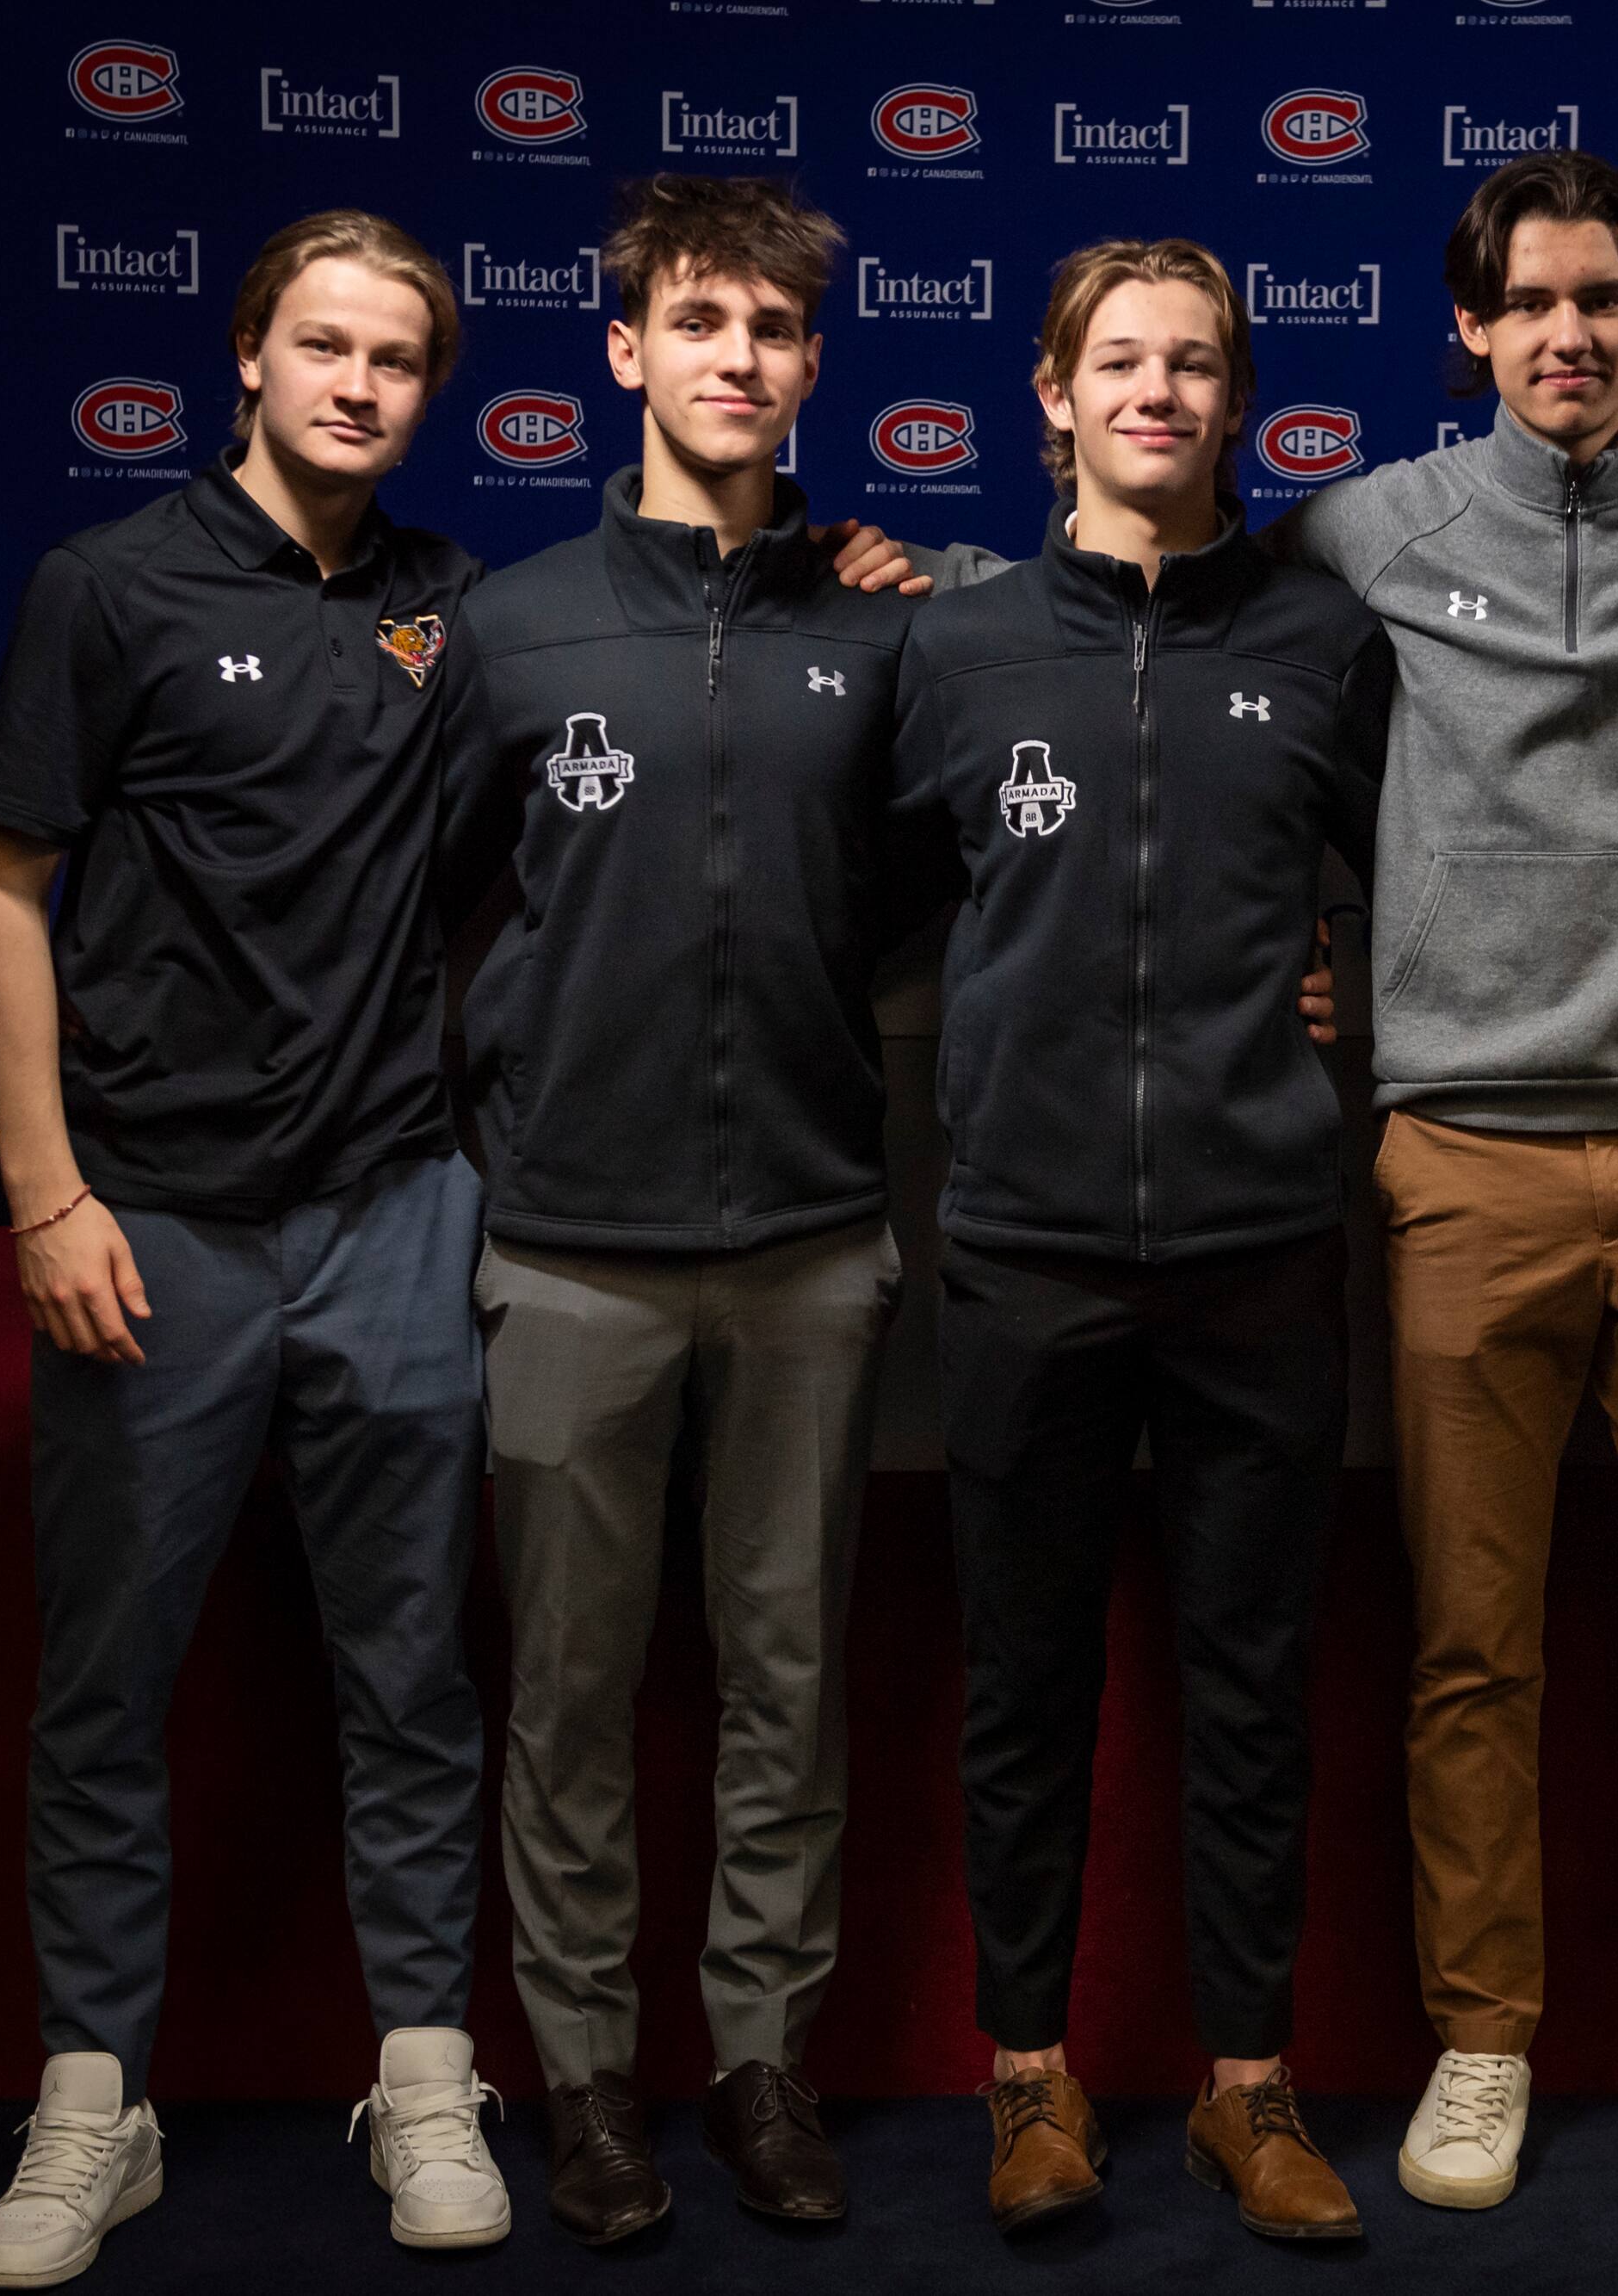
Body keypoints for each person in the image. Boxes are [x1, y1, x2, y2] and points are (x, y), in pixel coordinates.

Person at [1265, 149, 1618, 2210]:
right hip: (1465, 1154)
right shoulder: (1359, 529)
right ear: (1470, 331)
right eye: (1528, 304)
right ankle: (1480, 2037)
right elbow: (1193, 676)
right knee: (1467, 1641)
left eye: (1603, 298)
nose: (1566, 335)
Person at [0, 211, 511, 2283]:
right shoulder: (108, 588)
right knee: (106, 1681)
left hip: (389, 1210)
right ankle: (95, 2096)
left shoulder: (455, 610)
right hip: (151, 1224)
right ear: (249, 360)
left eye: (396, 359)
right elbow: (3, 881)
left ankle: (427, 2073)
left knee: (410, 1678)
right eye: (323, 346)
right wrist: (43, 1188)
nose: (358, 384)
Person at [437, 175, 985, 2247]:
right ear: (625, 350)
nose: (734, 358)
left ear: (811, 361)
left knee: (788, 1679)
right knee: (570, 1696)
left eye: (770, 327)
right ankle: (584, 2082)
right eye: (696, 321)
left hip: (808, 1249)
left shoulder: (880, 624)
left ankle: (762, 2061)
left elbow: (922, 888)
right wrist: (505, 1106)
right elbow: (432, 918)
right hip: (570, 1250)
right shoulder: (508, 625)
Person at [890, 238, 1392, 2244]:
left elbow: (1421, 877)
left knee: (1250, 1676)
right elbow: (860, 907)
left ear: (1233, 399)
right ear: (1052, 391)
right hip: (1020, 1246)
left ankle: (1246, 2088)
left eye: (1192, 365)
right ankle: (1029, 2080)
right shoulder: (956, 649)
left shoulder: (1325, 641)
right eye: (1120, 361)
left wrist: (1348, 961)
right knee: (1023, 1683)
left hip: (1263, 1240)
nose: (1156, 394)